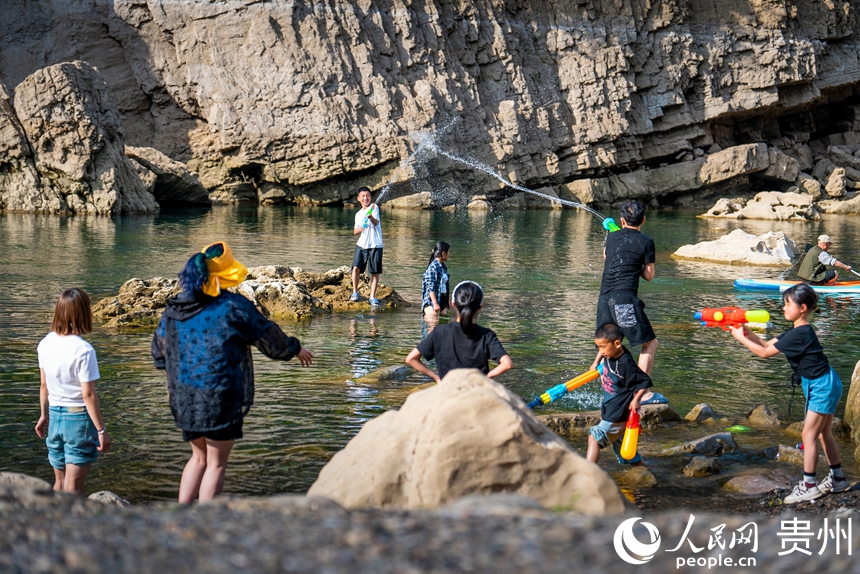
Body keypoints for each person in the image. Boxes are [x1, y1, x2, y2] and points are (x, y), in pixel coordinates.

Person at [151, 242, 313, 504]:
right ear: (221, 277)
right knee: (215, 463)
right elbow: (266, 334)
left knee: (198, 457)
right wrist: (294, 348)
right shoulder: (232, 306)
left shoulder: (175, 308)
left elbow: (159, 352)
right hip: (220, 396)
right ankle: (206, 520)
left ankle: (181, 515)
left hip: (184, 397)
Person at [729, 284, 848, 504]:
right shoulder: (797, 331)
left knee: (809, 436)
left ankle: (809, 486)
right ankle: (838, 478)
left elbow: (764, 353)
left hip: (822, 385)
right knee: (822, 434)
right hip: (826, 382)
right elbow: (766, 343)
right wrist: (745, 330)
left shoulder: (800, 334)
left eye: (787, 304)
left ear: (802, 308)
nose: (783, 308)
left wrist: (740, 338)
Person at [35, 288, 111, 494]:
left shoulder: (45, 344)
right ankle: (70, 526)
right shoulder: (84, 350)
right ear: (84, 313)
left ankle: (51, 524)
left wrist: (43, 415)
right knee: (73, 488)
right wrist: (102, 430)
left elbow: (44, 386)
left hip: (54, 418)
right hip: (78, 421)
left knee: (59, 485)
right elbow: (88, 395)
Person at [596, 200, 666, 404]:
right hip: (624, 301)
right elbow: (649, 275)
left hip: (604, 300)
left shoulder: (612, 237)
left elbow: (606, 257)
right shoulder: (646, 241)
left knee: (610, 347)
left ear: (621, 220)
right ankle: (641, 394)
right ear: (643, 219)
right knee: (650, 344)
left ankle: (613, 392)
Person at [405, 281, 512, 382]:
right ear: (480, 306)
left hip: (448, 390)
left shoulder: (439, 332)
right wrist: (486, 377)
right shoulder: (487, 335)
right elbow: (507, 364)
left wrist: (436, 377)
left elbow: (411, 359)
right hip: (476, 391)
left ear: (453, 304)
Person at [586, 323, 651, 466]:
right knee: (626, 454)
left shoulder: (625, 364)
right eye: (598, 347)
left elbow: (644, 381)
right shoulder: (610, 353)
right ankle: (645, 473)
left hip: (617, 414)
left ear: (617, 343)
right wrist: (596, 363)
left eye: (603, 347)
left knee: (594, 438)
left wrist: (637, 400)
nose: (601, 351)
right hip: (611, 409)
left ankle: (588, 474)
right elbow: (605, 357)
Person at [350, 186, 383, 306]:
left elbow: (376, 222)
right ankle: (355, 292)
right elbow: (354, 232)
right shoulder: (358, 214)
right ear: (358, 198)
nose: (366, 198)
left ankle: (372, 297)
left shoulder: (374, 207)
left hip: (375, 244)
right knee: (355, 268)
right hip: (362, 244)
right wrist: (360, 228)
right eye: (363, 196)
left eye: (368, 196)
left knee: (374, 272)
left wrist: (370, 217)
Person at [421, 241, 451, 321]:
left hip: (442, 300)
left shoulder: (443, 267)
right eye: (448, 252)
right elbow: (431, 287)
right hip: (431, 301)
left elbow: (445, 285)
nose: (449, 254)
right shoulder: (433, 268)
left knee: (444, 319)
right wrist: (435, 303)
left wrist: (447, 302)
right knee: (434, 320)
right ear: (443, 253)